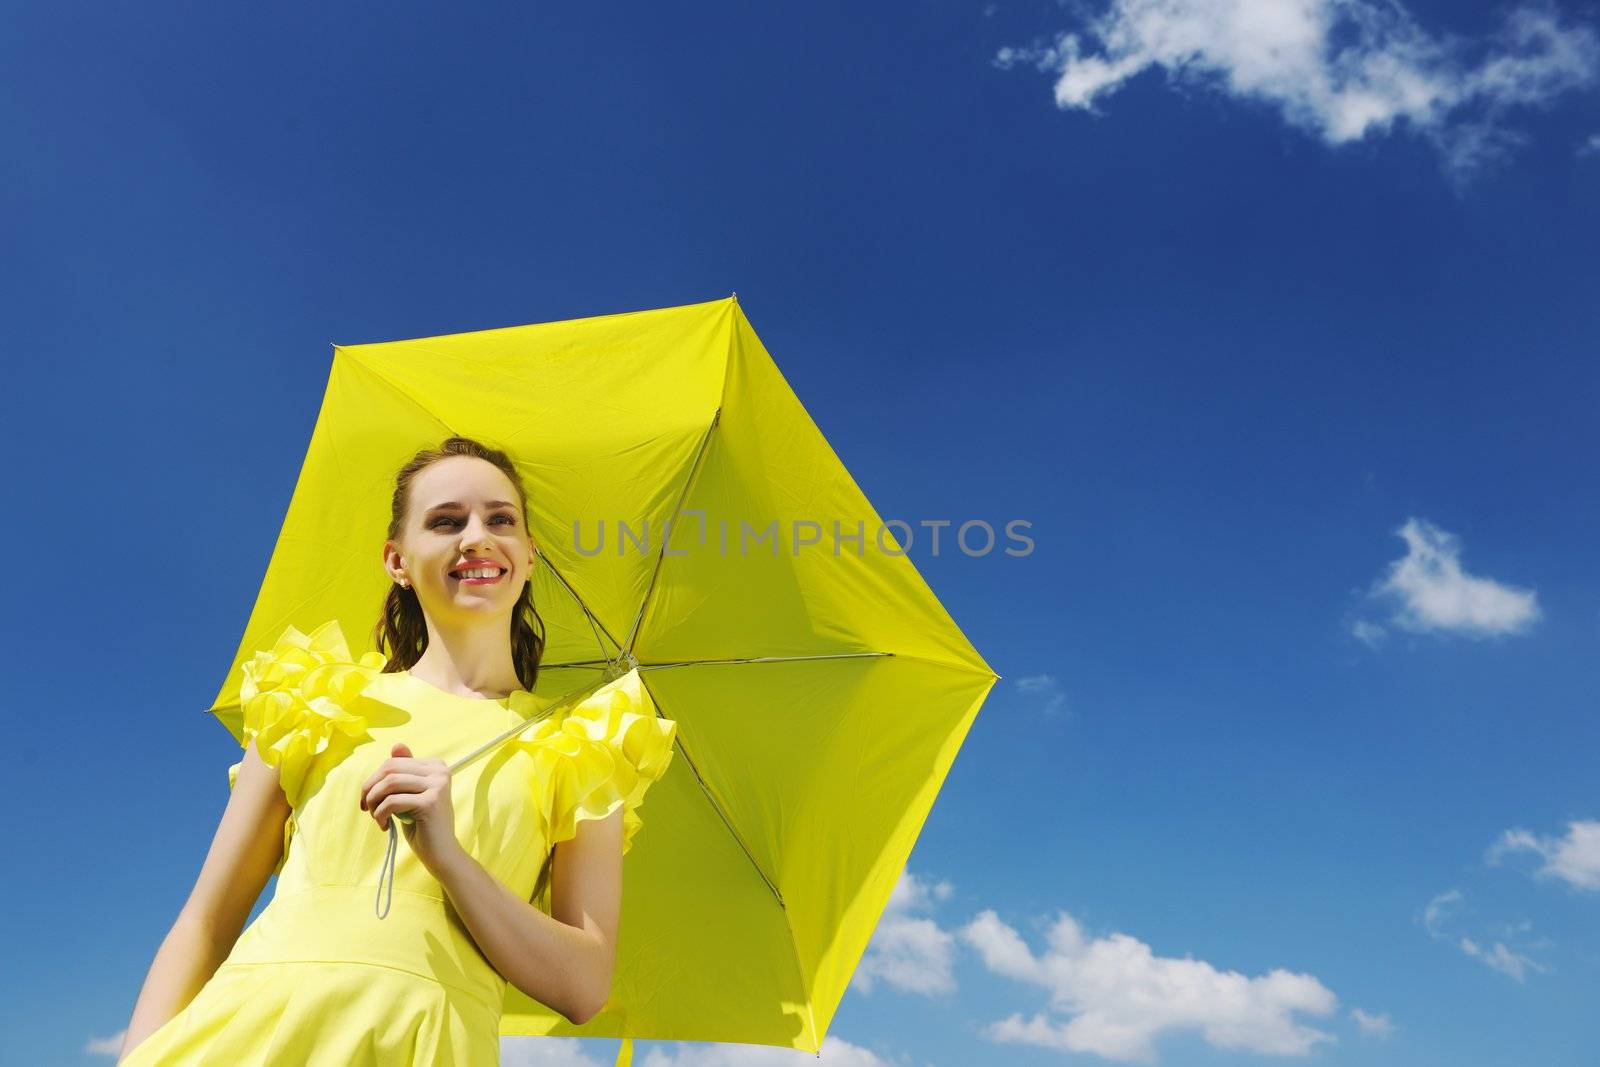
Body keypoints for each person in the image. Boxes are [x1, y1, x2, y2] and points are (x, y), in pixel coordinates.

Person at [118, 436, 677, 1065]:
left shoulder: (578, 746)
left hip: (430, 1043)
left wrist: (450, 861)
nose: (477, 538)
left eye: (502, 520)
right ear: (398, 560)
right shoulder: (316, 701)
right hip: (254, 1030)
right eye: (445, 521)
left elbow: (582, 985)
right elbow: (206, 922)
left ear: (528, 556)